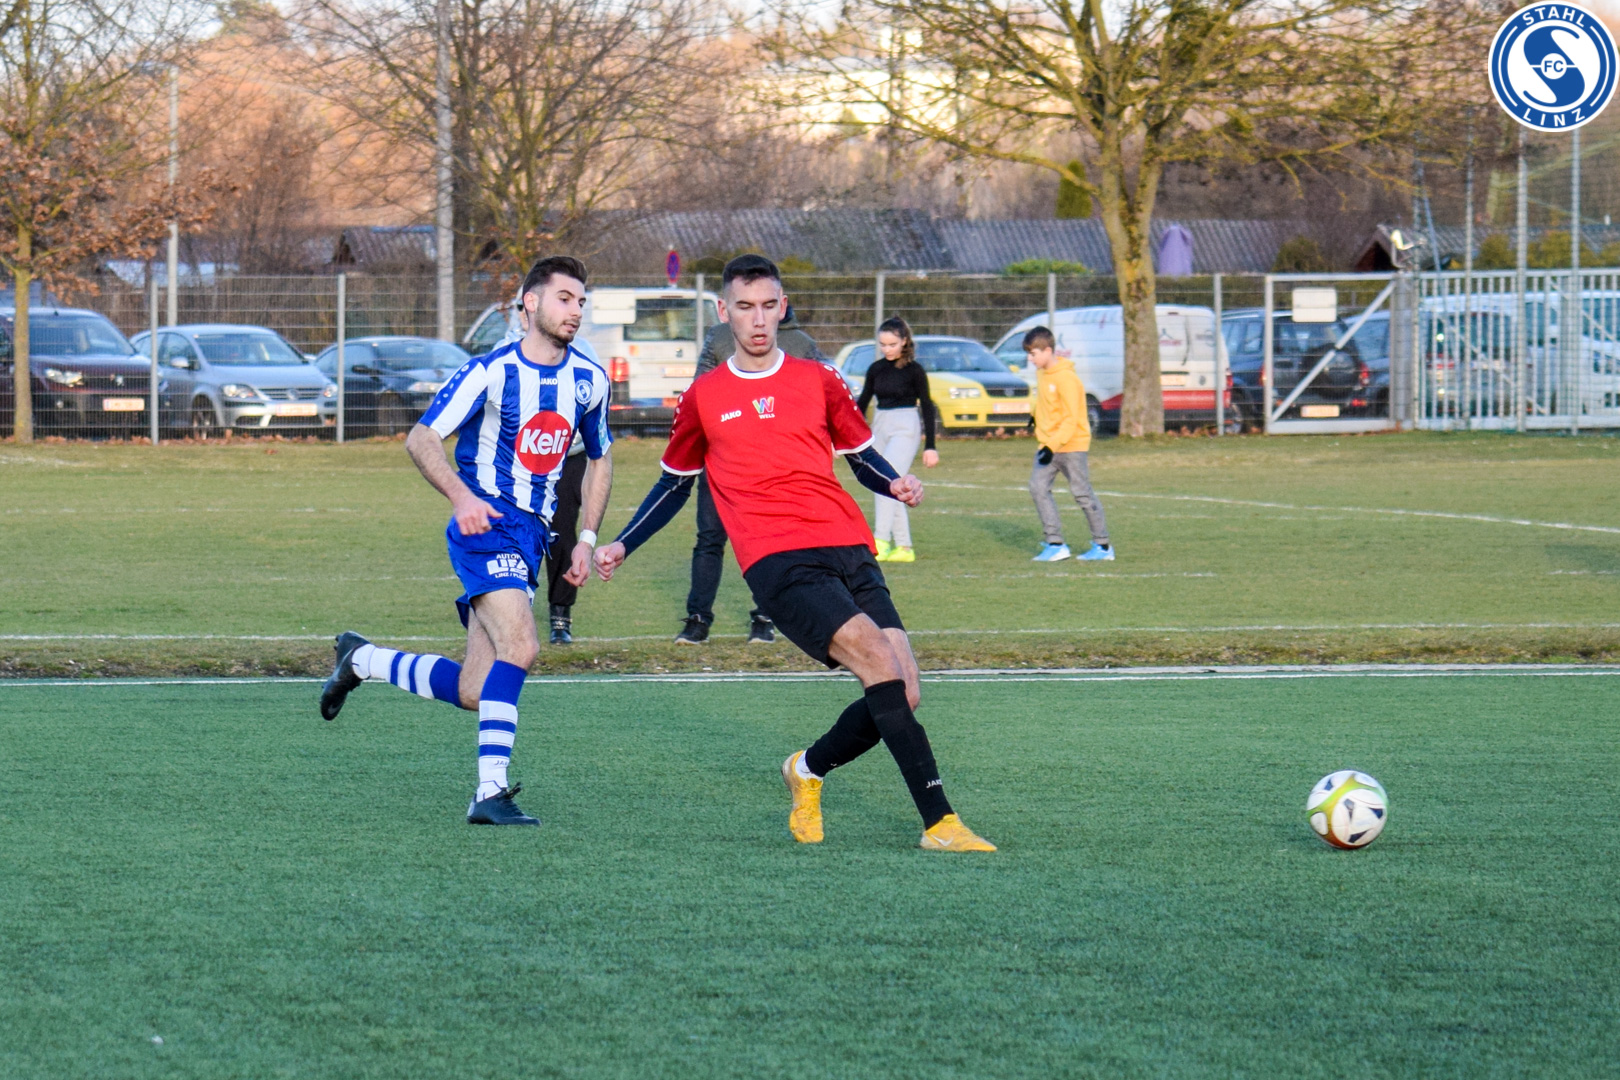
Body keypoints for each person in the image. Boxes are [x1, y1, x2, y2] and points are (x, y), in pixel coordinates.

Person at [594, 255, 994, 853]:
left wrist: (895, 483)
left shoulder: (819, 379)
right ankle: (940, 823)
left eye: (768, 306)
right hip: (777, 557)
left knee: (905, 689)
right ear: (725, 312)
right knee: (877, 660)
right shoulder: (703, 396)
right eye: (745, 307)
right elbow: (674, 483)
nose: (758, 320)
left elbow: (861, 455)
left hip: (847, 542)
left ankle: (806, 769)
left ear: (783, 307)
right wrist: (623, 542)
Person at [318, 255, 614, 826]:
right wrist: (462, 497)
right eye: (564, 298)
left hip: (533, 535)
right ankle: (490, 793)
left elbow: (600, 459)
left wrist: (585, 538)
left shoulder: (589, 380)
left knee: (476, 689)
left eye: (581, 301)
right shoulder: (489, 371)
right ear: (530, 303)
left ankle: (362, 660)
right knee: (522, 647)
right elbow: (421, 438)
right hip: (485, 526)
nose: (576, 310)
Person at [676, 303, 830, 645]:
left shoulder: (799, 344)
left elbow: (825, 392)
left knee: (734, 541)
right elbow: (700, 393)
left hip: (770, 464)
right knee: (719, 539)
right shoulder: (723, 337)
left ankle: (731, 619)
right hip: (726, 460)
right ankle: (722, 619)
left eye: (766, 304)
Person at [1023, 326, 1112, 563]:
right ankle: (1055, 544)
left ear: (1047, 351)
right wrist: (1035, 417)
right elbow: (1046, 403)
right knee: (1037, 487)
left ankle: (1103, 546)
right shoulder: (1042, 373)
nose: (1030, 359)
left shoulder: (1067, 378)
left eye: (1033, 354)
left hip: (1071, 446)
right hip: (1048, 445)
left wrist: (1051, 446)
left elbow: (1072, 419)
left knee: (1082, 494)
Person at [855, 316, 938, 562]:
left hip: (905, 426)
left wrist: (930, 446)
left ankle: (880, 540)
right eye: (882, 344)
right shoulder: (876, 369)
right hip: (881, 425)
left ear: (904, 341)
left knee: (888, 481)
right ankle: (904, 547)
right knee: (892, 483)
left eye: (892, 344)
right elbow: (862, 403)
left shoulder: (915, 371)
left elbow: (927, 406)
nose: (887, 349)